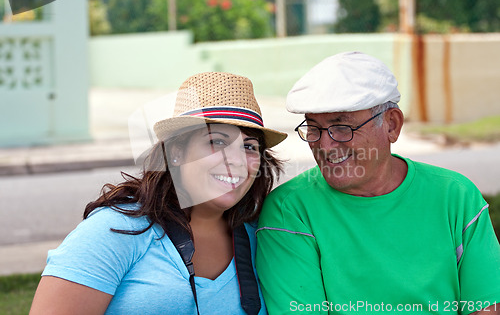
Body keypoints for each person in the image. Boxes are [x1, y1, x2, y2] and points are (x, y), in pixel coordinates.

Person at [256, 52, 500, 314]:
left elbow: (484, 307)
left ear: (392, 125)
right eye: (314, 128)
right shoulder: (289, 211)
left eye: (341, 127)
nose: (324, 146)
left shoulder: (456, 196)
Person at [30, 72, 287, 315]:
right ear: (176, 153)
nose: (237, 160)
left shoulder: (263, 236)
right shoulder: (115, 231)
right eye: (216, 141)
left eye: (249, 146)